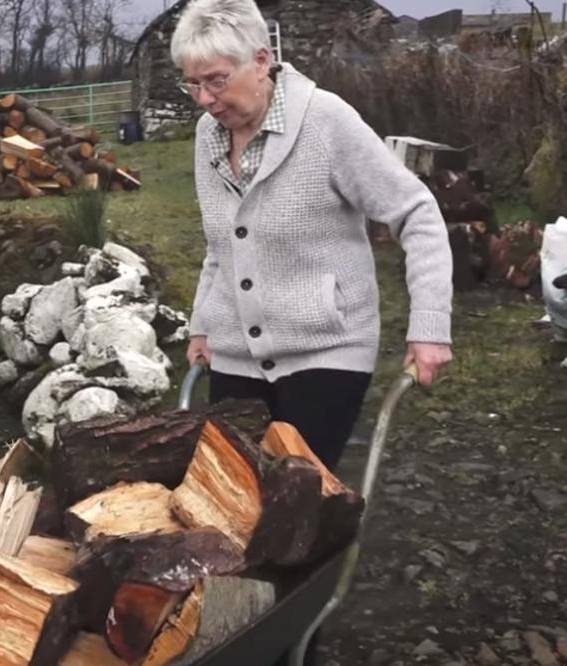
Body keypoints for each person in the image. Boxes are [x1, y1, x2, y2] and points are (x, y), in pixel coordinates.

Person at [171, 0, 454, 475]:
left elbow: (417, 212)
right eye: (192, 83)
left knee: (298, 503)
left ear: (261, 60)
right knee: (229, 500)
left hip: (326, 349)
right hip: (235, 352)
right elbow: (222, 243)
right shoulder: (208, 136)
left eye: (216, 80)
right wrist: (203, 322)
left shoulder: (326, 122)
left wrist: (429, 326)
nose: (204, 98)